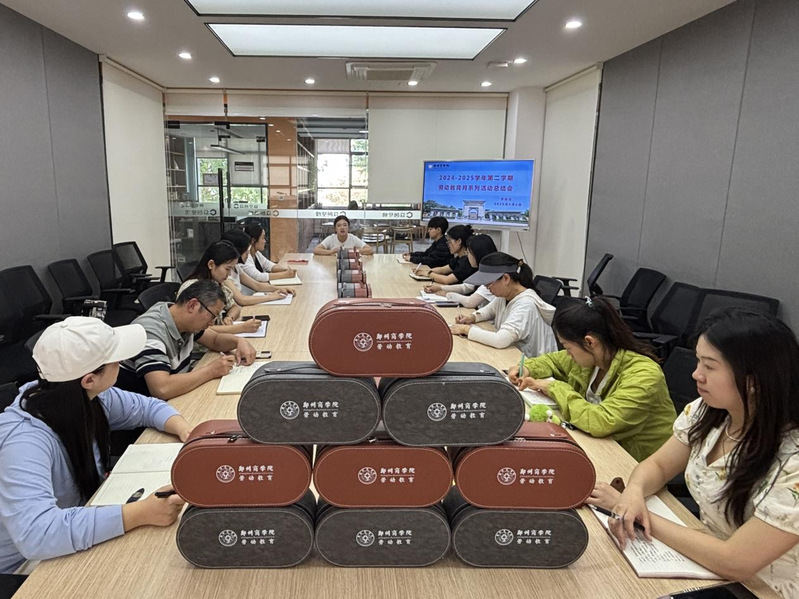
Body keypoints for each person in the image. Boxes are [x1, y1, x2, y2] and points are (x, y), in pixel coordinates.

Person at [589, 309, 799, 598]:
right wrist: (633, 493)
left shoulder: (792, 460)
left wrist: (634, 513)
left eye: (709, 366)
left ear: (753, 381)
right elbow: (659, 465)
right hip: (707, 560)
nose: (696, 374)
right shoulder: (708, 412)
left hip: (764, 588)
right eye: (698, 360)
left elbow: (735, 562)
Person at [0, 317, 192, 574]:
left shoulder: (81, 395)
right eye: (116, 360)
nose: (121, 364)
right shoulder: (23, 441)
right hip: (24, 566)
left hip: (76, 521)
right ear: (89, 379)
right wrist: (140, 513)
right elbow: (38, 534)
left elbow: (147, 407)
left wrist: (185, 431)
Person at [510, 296, 675, 462]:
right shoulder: (593, 357)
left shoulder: (644, 376)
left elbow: (600, 421)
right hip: (599, 446)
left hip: (635, 460)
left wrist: (554, 388)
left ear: (589, 342)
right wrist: (527, 368)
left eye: (568, 347)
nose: (567, 354)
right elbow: (552, 361)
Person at [116, 280, 256, 400]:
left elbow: (215, 340)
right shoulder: (151, 331)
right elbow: (161, 389)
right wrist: (211, 371)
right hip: (140, 412)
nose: (212, 323)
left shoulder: (182, 319)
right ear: (192, 305)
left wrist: (239, 342)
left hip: (172, 399)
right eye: (212, 316)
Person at [450, 252, 557, 357]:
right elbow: (489, 311)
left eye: (488, 285)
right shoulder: (505, 296)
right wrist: (472, 317)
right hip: (512, 355)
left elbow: (500, 340)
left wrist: (466, 330)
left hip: (530, 363)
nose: (487, 289)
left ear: (506, 278)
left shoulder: (525, 305)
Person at [177, 242, 279, 335]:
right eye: (227, 269)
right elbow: (201, 330)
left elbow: (234, 307)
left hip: (219, 338)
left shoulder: (216, 284)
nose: (229, 274)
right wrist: (241, 328)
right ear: (211, 264)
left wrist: (229, 317)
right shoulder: (193, 288)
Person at [423, 234, 497, 308]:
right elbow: (465, 287)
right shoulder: (480, 271)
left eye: (468, 253)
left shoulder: (491, 276)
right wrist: (440, 288)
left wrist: (447, 294)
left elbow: (470, 302)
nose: (467, 256)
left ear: (477, 254)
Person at [220, 229, 297, 298]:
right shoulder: (226, 274)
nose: (248, 253)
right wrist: (271, 297)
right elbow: (241, 299)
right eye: (246, 250)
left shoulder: (237, 267)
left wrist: (280, 289)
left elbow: (257, 285)